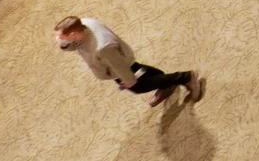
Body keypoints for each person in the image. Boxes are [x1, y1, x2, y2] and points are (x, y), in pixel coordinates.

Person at [56, 15, 205, 106]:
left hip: (117, 66)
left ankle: (185, 77)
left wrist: (128, 81)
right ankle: (165, 83)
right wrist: (63, 43)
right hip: (119, 58)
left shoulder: (102, 47)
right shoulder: (84, 23)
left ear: (74, 33)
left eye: (62, 37)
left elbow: (119, 65)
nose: (58, 39)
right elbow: (74, 46)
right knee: (140, 70)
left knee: (138, 86)